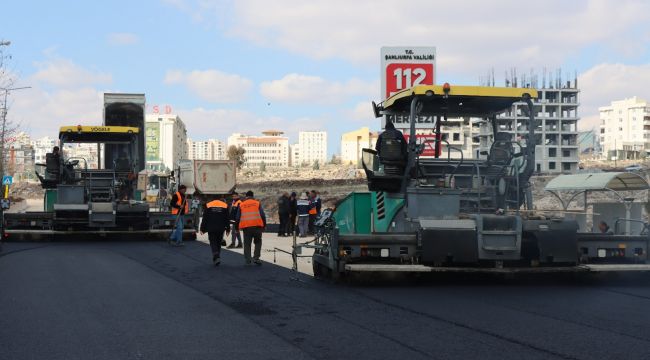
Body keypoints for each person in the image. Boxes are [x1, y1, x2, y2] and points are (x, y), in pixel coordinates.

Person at [236, 191, 266, 265]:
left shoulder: (242, 204)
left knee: (247, 243)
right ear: (253, 196)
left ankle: (248, 259)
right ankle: (256, 258)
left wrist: (237, 228)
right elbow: (262, 215)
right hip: (257, 226)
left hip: (246, 227)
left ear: (246, 196)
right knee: (258, 242)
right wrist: (264, 225)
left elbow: (237, 218)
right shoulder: (257, 203)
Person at [200, 196, 230, 266]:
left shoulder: (208, 205)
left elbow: (205, 218)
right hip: (221, 227)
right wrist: (228, 229)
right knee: (218, 242)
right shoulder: (225, 205)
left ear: (213, 198)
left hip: (211, 227)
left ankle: (216, 256)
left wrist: (202, 228)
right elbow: (227, 218)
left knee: (213, 241)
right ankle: (217, 256)